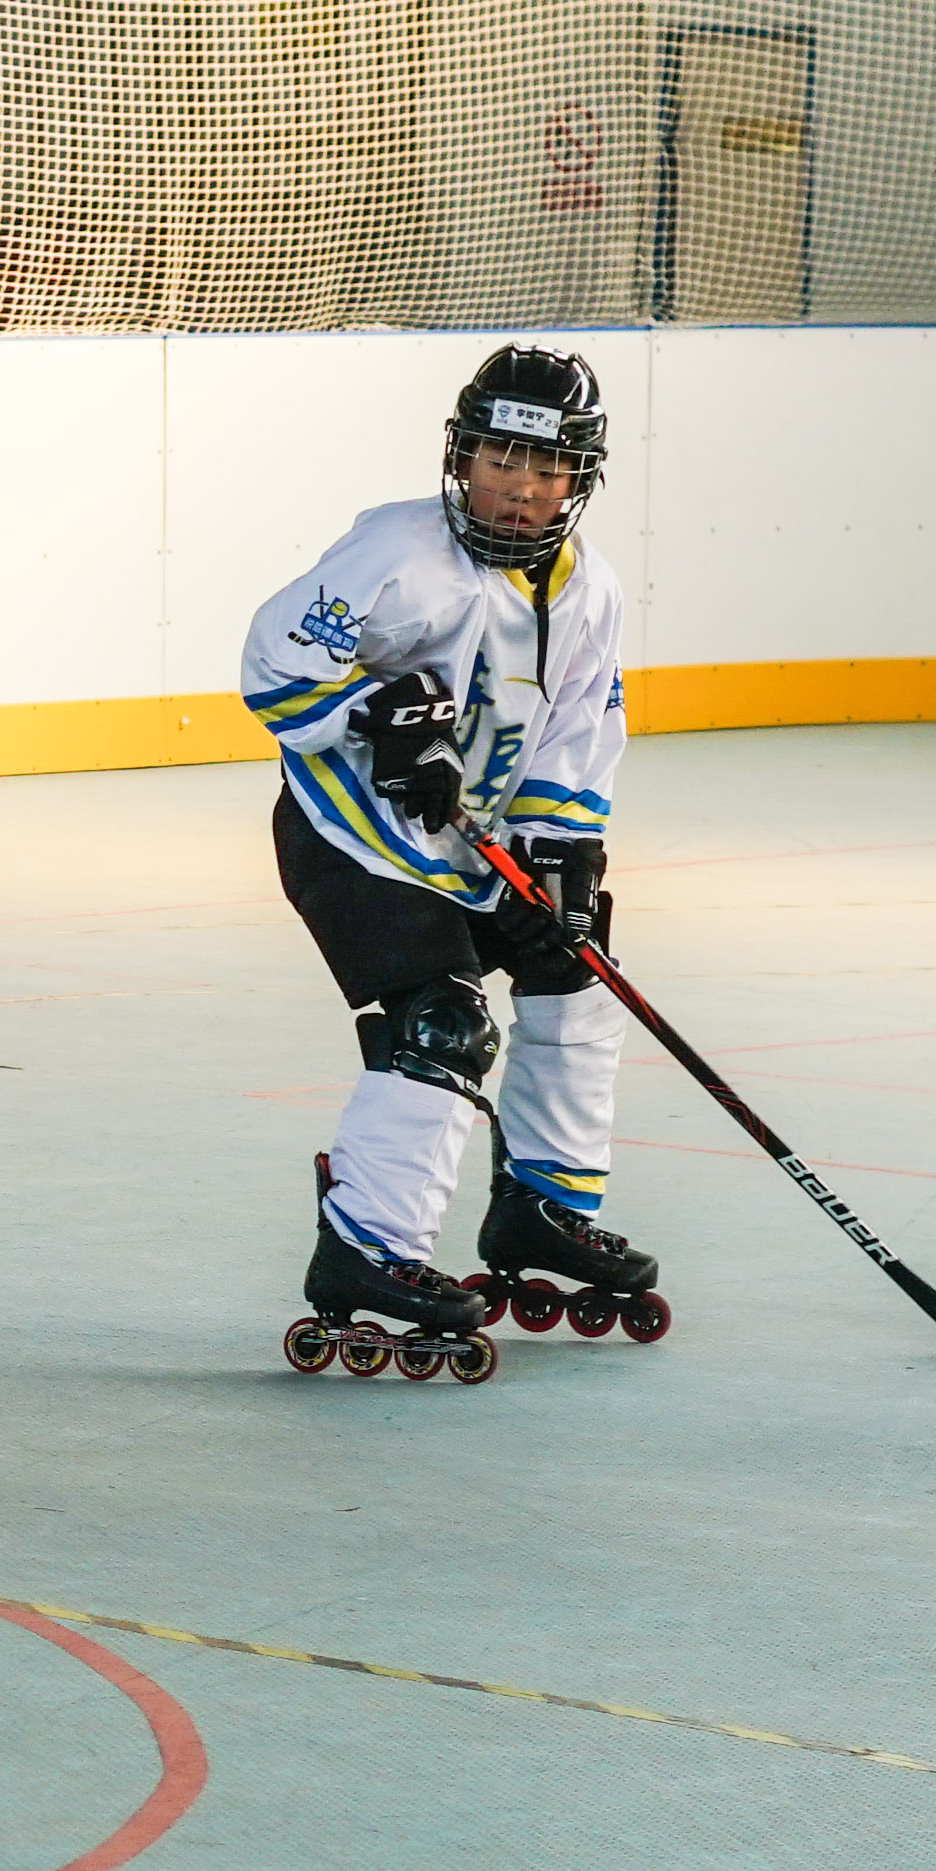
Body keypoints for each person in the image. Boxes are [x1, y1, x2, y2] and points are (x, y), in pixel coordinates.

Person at [237, 345, 647, 1376]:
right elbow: (273, 661)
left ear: (577, 482)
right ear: (459, 456)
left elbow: (571, 744)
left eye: (544, 467)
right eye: (497, 456)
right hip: (351, 839)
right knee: (442, 1020)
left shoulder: (588, 592)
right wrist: (377, 714)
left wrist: (562, 856)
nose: (517, 485)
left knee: (578, 961)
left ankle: (540, 1209)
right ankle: (364, 1251)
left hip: (470, 848)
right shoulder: (395, 551)